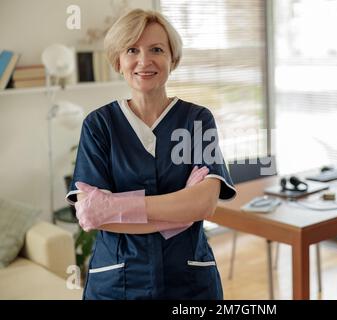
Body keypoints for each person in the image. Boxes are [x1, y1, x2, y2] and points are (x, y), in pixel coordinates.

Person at [65, 9, 236, 300]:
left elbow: (204, 204)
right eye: (132, 50)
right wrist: (178, 213)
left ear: (173, 59)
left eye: (157, 49)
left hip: (189, 282)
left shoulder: (197, 120)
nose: (144, 61)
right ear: (118, 61)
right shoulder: (98, 125)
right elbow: (92, 214)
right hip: (117, 283)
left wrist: (114, 205)